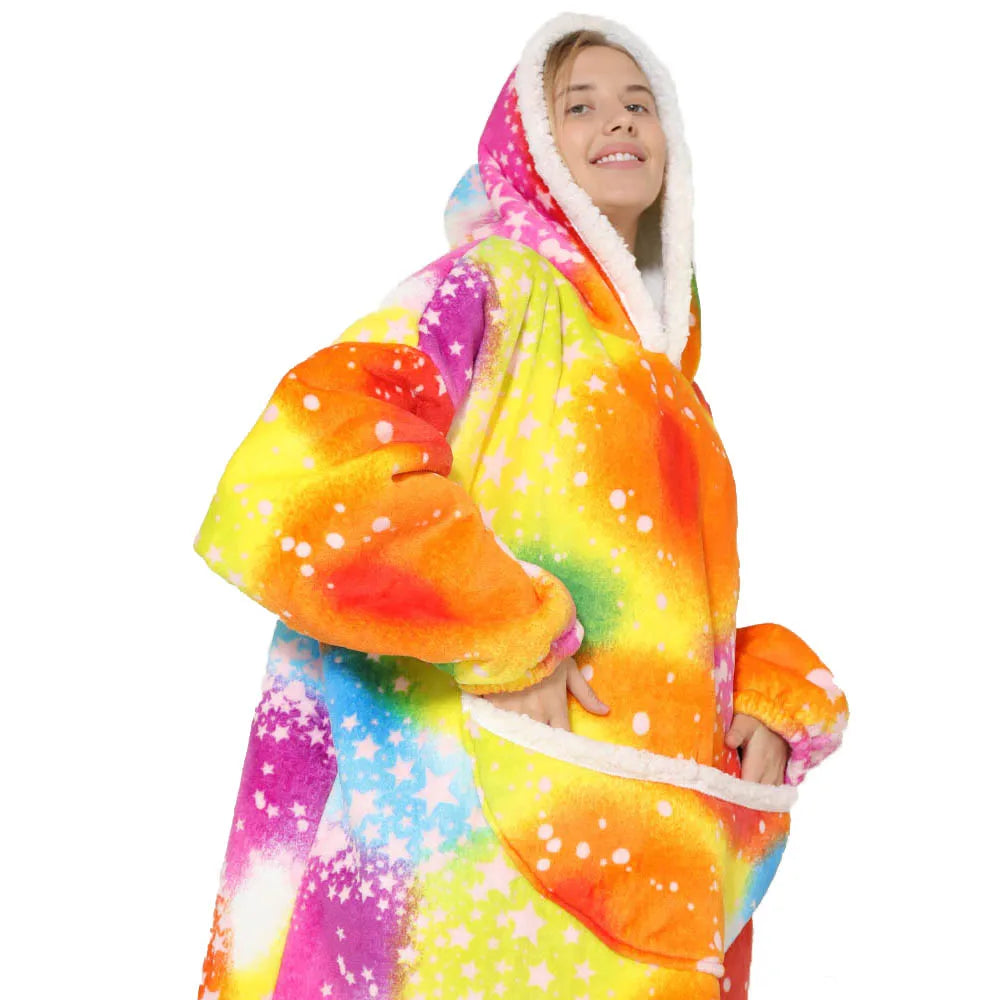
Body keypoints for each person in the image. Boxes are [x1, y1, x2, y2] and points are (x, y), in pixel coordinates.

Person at [192, 12, 849, 1000]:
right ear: (528, 150)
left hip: (621, 848)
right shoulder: (487, 290)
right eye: (577, 106)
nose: (617, 120)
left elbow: (657, 616)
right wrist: (503, 627)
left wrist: (755, 685)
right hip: (466, 844)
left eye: (639, 103)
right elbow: (307, 466)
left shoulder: (672, 386)